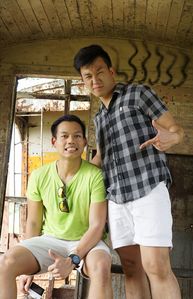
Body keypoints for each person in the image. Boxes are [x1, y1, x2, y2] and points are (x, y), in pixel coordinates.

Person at [73, 45, 184, 299]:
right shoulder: (99, 118)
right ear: (84, 83)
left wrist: (172, 138)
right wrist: (74, 174)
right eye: (88, 76)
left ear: (111, 71)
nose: (95, 79)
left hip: (147, 187)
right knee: (132, 268)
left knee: (156, 266)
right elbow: (101, 157)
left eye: (99, 71)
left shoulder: (138, 94)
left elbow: (176, 129)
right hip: (117, 198)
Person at [0, 114, 113, 299]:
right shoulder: (38, 176)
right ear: (54, 141)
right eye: (64, 136)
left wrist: (74, 259)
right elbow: (34, 222)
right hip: (50, 240)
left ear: (84, 142)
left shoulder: (95, 176)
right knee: (5, 262)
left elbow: (97, 226)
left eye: (77, 136)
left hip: (86, 241)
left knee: (101, 267)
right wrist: (27, 271)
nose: (71, 140)